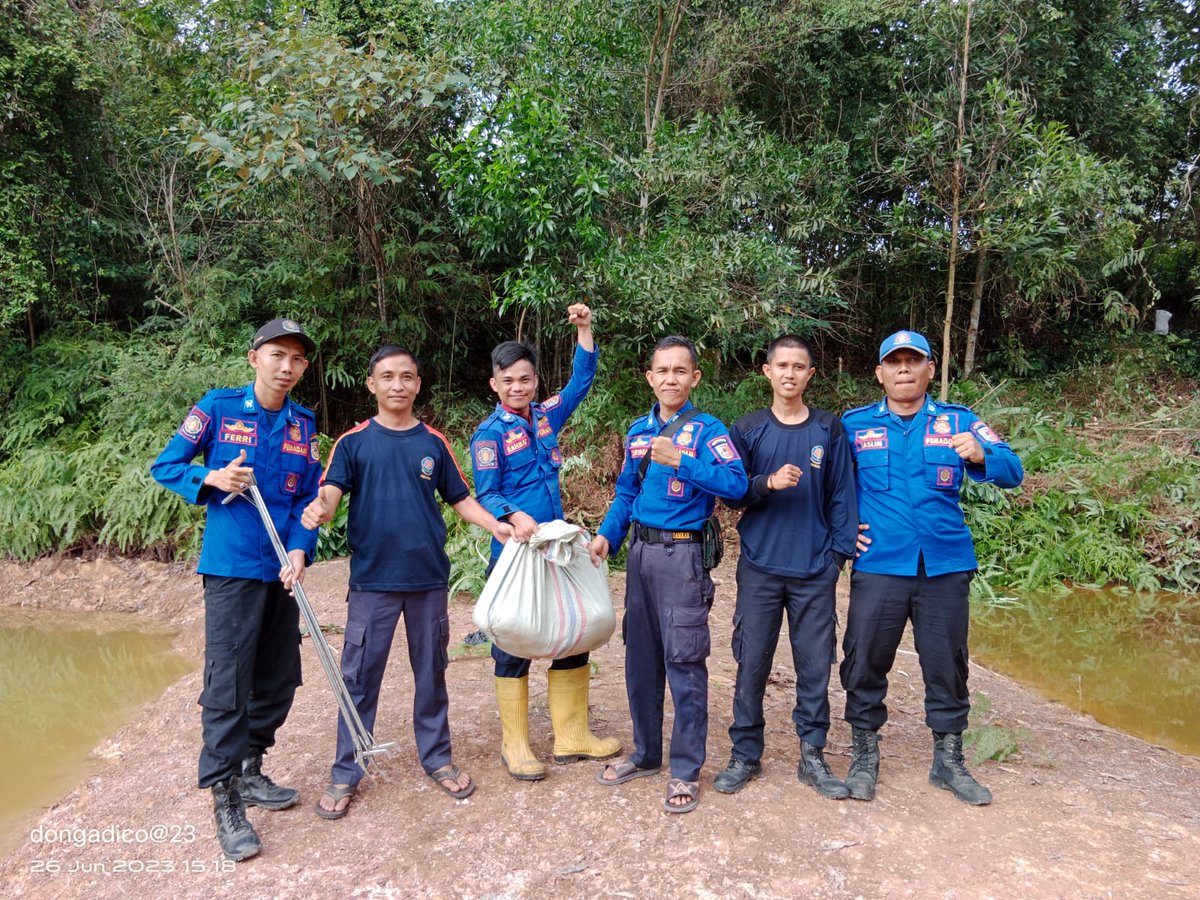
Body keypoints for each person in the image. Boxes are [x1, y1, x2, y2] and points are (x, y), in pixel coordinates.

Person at [302, 344, 516, 818]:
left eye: (406, 377)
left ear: (418, 384)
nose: (397, 385)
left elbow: (461, 499)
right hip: (372, 582)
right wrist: (323, 507)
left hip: (427, 581)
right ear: (372, 384)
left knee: (432, 673)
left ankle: (437, 757)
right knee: (358, 677)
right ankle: (346, 770)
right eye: (387, 377)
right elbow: (332, 490)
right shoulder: (353, 442)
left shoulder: (433, 443)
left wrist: (495, 524)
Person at [150, 318, 321, 862]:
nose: (286, 366)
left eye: (296, 359)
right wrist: (212, 478)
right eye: (277, 355)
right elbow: (166, 464)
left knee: (278, 677)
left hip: (280, 571)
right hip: (230, 569)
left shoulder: (303, 423)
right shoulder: (219, 408)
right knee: (228, 684)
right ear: (254, 358)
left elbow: (306, 501)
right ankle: (225, 799)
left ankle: (251, 768)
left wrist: (300, 549)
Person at [840, 330, 1024, 805]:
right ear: (880, 373)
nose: (904, 369)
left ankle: (948, 762)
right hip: (879, 563)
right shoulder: (853, 426)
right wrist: (843, 533)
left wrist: (982, 454)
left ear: (930, 370)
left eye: (913, 361)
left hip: (943, 564)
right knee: (864, 662)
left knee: (947, 666)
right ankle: (864, 757)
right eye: (894, 362)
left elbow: (1013, 470)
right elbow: (829, 489)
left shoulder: (958, 421)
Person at [588, 335, 748, 814]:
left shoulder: (707, 430)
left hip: (682, 559)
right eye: (663, 371)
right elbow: (624, 494)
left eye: (681, 371)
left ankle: (684, 769)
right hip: (638, 554)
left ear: (694, 378)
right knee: (640, 661)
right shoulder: (638, 430)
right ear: (650, 378)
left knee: (684, 661)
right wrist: (605, 538)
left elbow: (737, 485)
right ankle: (646, 753)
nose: (671, 378)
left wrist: (685, 461)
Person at [469, 303, 620, 780]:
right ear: (494, 384)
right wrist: (513, 515)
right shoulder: (488, 435)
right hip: (516, 551)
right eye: (509, 380)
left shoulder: (546, 416)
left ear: (535, 382)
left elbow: (581, 382)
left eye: (526, 379)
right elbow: (488, 492)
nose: (519, 387)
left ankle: (572, 735)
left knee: (573, 634)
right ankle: (515, 744)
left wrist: (585, 330)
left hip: (561, 550)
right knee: (514, 639)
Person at [714, 335, 859, 799]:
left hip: (815, 569)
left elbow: (842, 495)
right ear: (767, 371)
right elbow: (730, 493)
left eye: (800, 366)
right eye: (782, 365)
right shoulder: (749, 428)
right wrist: (766, 483)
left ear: (810, 375)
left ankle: (813, 754)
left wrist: (837, 557)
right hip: (760, 565)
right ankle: (745, 754)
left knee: (815, 665)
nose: (790, 374)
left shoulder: (827, 429)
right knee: (751, 661)